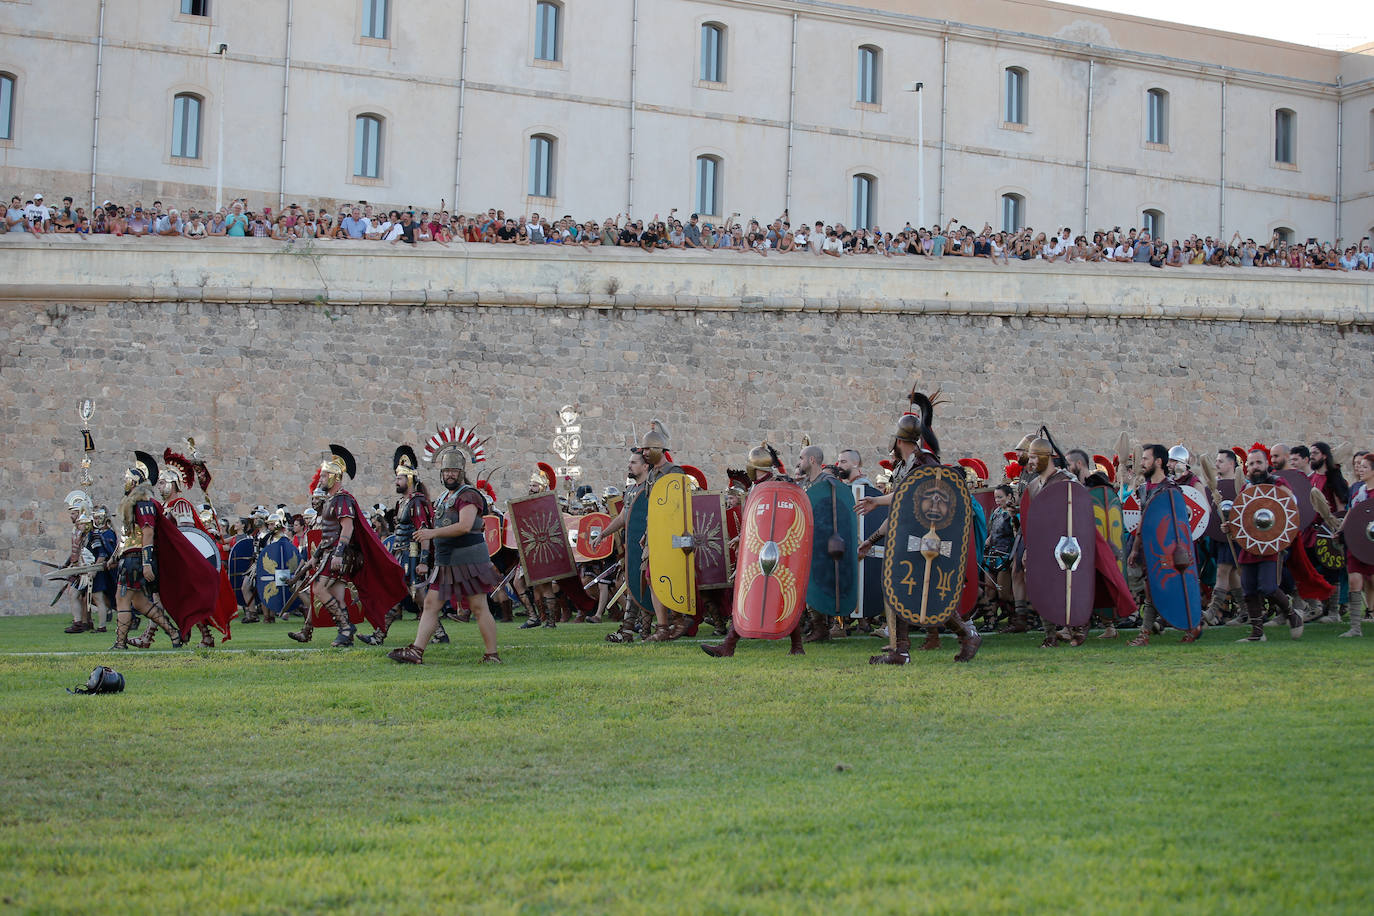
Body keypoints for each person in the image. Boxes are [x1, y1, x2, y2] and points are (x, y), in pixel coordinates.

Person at [856, 391, 981, 664]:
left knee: (918, 591)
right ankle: (902, 649)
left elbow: (910, 498)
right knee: (899, 588)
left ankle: (962, 635)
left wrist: (877, 501)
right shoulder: (909, 466)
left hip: (928, 540)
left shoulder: (926, 465)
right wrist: (873, 539)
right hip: (909, 538)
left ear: (899, 440)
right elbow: (902, 512)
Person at [389, 439, 501, 664]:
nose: (449, 474)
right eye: (446, 470)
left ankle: (492, 655)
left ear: (461, 472)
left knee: (478, 607)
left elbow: (465, 526)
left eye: (454, 470)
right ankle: (416, 651)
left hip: (469, 561)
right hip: (447, 561)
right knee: (431, 604)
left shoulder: (468, 495)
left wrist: (432, 534)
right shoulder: (443, 497)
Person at [288, 445, 406, 647]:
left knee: (318, 589)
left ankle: (345, 628)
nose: (321, 480)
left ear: (335, 478)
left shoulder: (343, 500)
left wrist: (338, 554)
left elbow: (347, 528)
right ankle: (345, 636)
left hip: (339, 554)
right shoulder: (331, 500)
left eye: (325, 477)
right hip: (330, 553)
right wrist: (314, 558)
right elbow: (326, 535)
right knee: (337, 595)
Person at [701, 442, 807, 658]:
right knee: (747, 594)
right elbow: (758, 522)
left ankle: (795, 646)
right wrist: (743, 537)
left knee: (783, 594)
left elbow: (785, 520)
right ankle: (730, 645)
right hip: (758, 551)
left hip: (779, 551)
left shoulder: (778, 486)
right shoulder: (758, 489)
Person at [109, 452, 218, 650]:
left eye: (163, 483)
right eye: (158, 483)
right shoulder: (146, 505)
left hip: (152, 558)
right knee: (145, 602)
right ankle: (169, 634)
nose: (160, 487)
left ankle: (123, 642)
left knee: (134, 598)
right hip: (139, 557)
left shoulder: (167, 504)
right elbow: (128, 535)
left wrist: (147, 561)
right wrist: (114, 555)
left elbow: (180, 532)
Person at [1232, 444, 1305, 643]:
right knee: (1248, 590)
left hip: (1271, 544)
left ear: (1266, 464)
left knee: (1268, 587)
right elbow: (1242, 517)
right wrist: (1229, 526)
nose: (1255, 467)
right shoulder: (1247, 488)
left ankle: (1292, 615)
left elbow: (1290, 509)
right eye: (1251, 463)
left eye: (1259, 463)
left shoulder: (1278, 484)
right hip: (1250, 544)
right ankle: (1257, 633)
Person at [1339, 451, 1373, 637]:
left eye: (1365, 467)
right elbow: (1352, 512)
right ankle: (1355, 628)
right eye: (1359, 466)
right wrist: (1341, 530)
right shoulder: (1359, 492)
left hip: (1372, 543)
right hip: (1357, 540)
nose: (1360, 469)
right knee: (1354, 581)